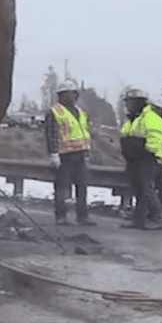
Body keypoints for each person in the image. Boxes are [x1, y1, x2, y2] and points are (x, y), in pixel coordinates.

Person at [44, 79, 95, 226]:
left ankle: (82, 215)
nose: (71, 97)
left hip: (80, 153)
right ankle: (61, 216)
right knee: (62, 187)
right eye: (67, 94)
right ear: (61, 95)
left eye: (73, 94)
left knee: (82, 186)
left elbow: (85, 133)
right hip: (63, 155)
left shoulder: (81, 112)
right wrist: (53, 154)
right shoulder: (55, 112)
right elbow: (51, 134)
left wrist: (87, 153)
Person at [119, 89, 162, 229]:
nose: (127, 105)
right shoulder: (134, 118)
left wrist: (147, 152)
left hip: (146, 160)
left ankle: (157, 219)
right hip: (134, 160)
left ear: (139, 102)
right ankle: (138, 221)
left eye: (130, 102)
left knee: (147, 190)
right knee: (139, 191)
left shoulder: (150, 117)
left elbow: (155, 137)